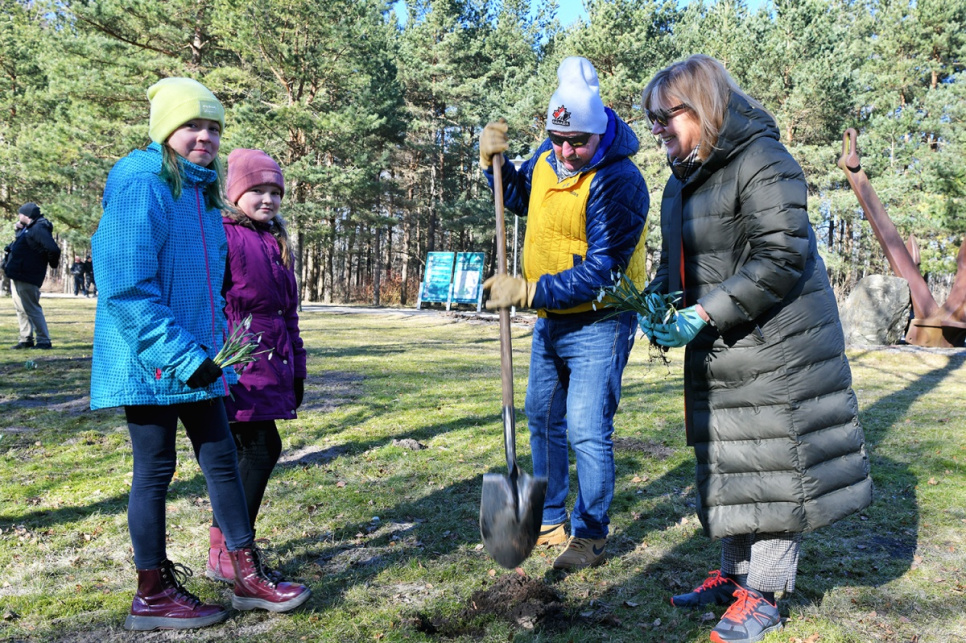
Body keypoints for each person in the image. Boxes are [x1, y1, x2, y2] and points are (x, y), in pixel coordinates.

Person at [639, 55, 872, 643]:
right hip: (724, 347)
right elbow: (677, 262)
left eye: (666, 116)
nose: (657, 129)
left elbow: (782, 256)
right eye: (651, 120)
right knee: (729, 462)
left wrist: (703, 313)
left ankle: (764, 595)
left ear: (703, 108)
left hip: (778, 348)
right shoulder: (681, 179)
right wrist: (658, 301)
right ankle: (733, 576)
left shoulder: (764, 161)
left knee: (772, 468)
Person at [90, 77, 310, 632]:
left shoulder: (202, 190)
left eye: (213, 127)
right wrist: (184, 356)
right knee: (155, 469)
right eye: (192, 125)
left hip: (201, 357)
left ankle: (244, 573)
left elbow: (211, 286)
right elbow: (125, 288)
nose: (205, 137)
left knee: (222, 459)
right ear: (166, 129)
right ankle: (152, 593)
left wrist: (210, 353)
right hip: (151, 358)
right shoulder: (141, 183)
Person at [479, 56, 649, 570]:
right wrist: (494, 167)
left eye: (577, 142)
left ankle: (590, 533)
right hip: (552, 318)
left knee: (586, 428)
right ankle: (550, 519)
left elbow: (603, 272)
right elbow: (518, 199)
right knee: (542, 416)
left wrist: (529, 291)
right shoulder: (547, 158)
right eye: (557, 139)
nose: (566, 152)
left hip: (601, 319)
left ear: (600, 132)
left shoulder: (620, 181)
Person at [205, 148, 306, 583]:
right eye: (257, 191)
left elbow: (288, 314)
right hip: (237, 362)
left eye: (275, 192)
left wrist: (297, 369)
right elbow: (211, 301)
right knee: (259, 449)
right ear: (235, 194)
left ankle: (224, 551)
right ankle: (230, 551)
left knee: (250, 452)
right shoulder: (222, 235)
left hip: (272, 360)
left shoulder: (276, 240)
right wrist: (218, 361)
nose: (268, 199)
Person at [3, 202, 60, 349]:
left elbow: (53, 249)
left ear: (26, 215)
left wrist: (52, 264)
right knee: (21, 309)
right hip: (18, 274)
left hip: (28, 274)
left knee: (32, 309)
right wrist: (18, 231)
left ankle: (43, 340)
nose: (18, 216)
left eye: (20, 213)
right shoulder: (28, 229)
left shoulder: (39, 228)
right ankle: (26, 338)